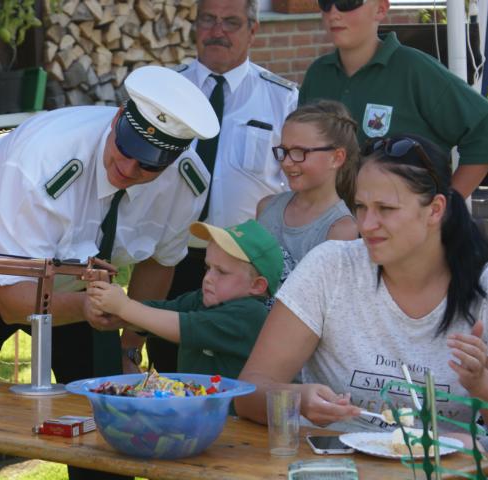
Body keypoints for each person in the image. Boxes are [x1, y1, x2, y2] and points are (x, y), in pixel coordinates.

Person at [0, 65, 220, 480]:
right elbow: (14, 302)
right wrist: (89, 309)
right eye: (124, 148)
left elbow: (159, 262)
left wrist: (130, 345)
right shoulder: (46, 158)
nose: (127, 168)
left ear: (174, 161)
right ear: (118, 119)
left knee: (104, 410)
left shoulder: (188, 183)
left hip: (76, 280)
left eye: (148, 165)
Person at [234, 133, 488, 436]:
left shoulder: (485, 284)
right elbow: (247, 394)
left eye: (386, 209)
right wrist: (297, 399)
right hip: (334, 458)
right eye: (360, 206)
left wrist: (481, 385)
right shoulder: (331, 267)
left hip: (443, 461)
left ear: (435, 210)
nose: (366, 225)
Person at [142, 0, 298, 373]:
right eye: (208, 20)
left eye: (231, 22)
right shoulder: (165, 90)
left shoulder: (282, 97)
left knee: (234, 371)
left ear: (253, 30)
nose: (217, 31)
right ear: (195, 26)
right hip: (170, 256)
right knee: (168, 362)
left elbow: (295, 180)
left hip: (240, 268)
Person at [299, 0, 488, 199]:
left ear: (380, 9)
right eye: (325, 3)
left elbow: (485, 127)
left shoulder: (414, 70)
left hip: (401, 216)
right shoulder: (318, 74)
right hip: (329, 216)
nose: (333, 13)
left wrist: (449, 205)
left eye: (347, 2)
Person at [88, 218, 283, 379]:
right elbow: (162, 312)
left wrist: (125, 307)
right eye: (207, 267)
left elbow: (181, 326)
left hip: (231, 415)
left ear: (257, 286)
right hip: (199, 409)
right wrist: (116, 315)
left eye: (222, 272)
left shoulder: (250, 314)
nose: (208, 278)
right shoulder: (204, 299)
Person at [257, 100, 358, 271]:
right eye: (284, 151)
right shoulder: (266, 207)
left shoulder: (341, 229)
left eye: (299, 152)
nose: (286, 162)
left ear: (336, 158)